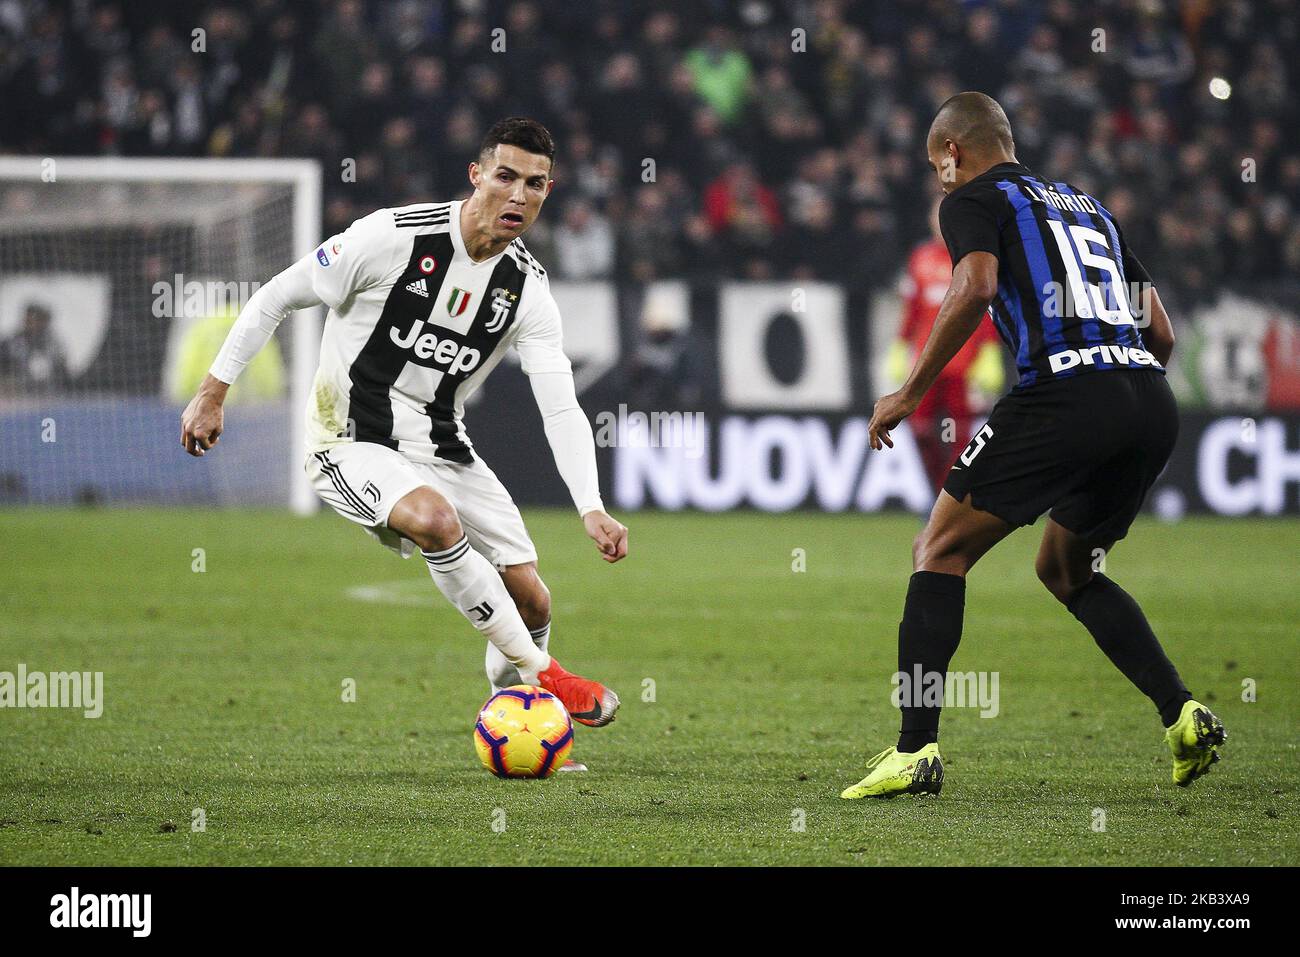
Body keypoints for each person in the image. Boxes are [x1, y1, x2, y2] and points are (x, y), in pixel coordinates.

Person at [180, 118, 627, 752]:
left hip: (444, 444)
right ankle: (547, 677)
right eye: (505, 177)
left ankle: (520, 713)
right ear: (476, 176)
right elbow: (277, 295)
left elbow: (560, 406)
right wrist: (213, 390)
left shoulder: (527, 288)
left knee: (532, 600)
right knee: (435, 521)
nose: (519, 196)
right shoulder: (391, 237)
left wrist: (591, 506)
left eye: (535, 184)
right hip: (348, 438)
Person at [842, 92, 1224, 799]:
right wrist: (1119, 394)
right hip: (1149, 399)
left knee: (940, 550)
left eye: (937, 166)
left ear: (954, 151)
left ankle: (914, 748)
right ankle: (1184, 713)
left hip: (1066, 396)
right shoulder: (1086, 204)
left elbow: (975, 286)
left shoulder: (971, 200)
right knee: (1067, 569)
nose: (939, 180)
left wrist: (908, 392)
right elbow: (1162, 332)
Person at [891, 194, 1003, 489]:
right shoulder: (920, 258)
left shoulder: (973, 258)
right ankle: (937, 491)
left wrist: (989, 353)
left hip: (963, 366)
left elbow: (987, 310)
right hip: (926, 365)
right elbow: (912, 310)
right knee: (920, 430)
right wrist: (900, 348)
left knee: (958, 438)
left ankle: (948, 500)